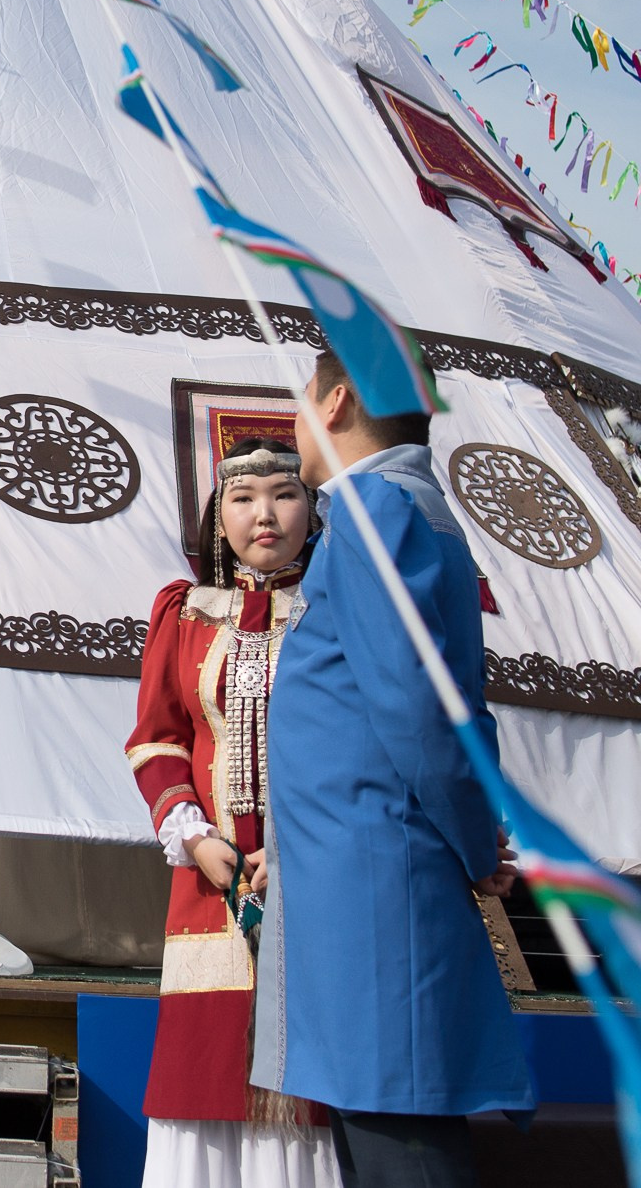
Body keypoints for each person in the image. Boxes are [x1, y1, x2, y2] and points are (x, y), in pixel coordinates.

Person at [252, 351, 532, 1188]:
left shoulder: (379, 510)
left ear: (334, 400)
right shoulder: (389, 511)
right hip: (360, 884)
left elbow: (419, 708)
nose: (299, 416)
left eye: (304, 396)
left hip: (375, 891)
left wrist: (478, 843)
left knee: (399, 1143)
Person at [126, 437, 338, 1188]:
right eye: (243, 498)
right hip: (207, 879)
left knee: (304, 1082)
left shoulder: (338, 611)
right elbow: (157, 739)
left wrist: (298, 851)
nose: (264, 514)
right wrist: (193, 833)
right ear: (219, 516)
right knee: (204, 1065)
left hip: (316, 877)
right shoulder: (183, 613)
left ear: (312, 510)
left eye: (284, 494)